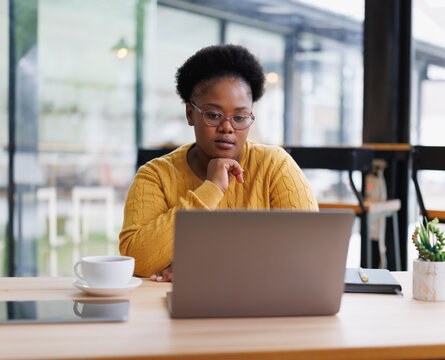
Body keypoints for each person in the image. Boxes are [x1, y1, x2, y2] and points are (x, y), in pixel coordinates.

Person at [119, 44, 318, 281]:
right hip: (179, 310)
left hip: (263, 307)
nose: (227, 127)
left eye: (240, 117)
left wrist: (203, 265)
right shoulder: (155, 175)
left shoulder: (275, 166)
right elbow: (136, 261)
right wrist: (211, 189)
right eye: (213, 115)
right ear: (190, 114)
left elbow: (311, 253)